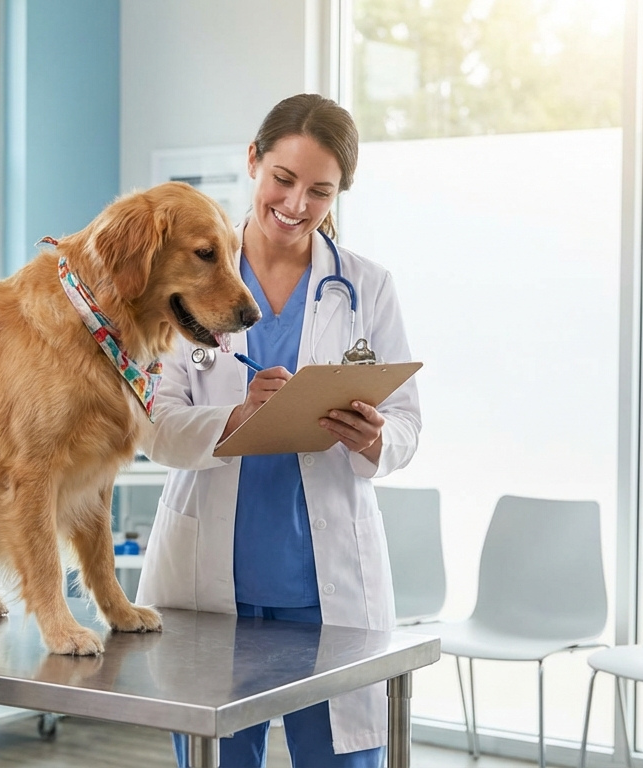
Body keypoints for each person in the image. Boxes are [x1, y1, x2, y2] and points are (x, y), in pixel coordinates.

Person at [136, 93, 422, 768]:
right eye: (283, 180)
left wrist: (374, 437)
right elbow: (154, 427)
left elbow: (408, 422)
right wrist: (234, 418)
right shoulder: (181, 276)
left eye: (320, 192)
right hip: (211, 590)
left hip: (326, 597)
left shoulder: (367, 287)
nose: (296, 205)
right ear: (253, 161)